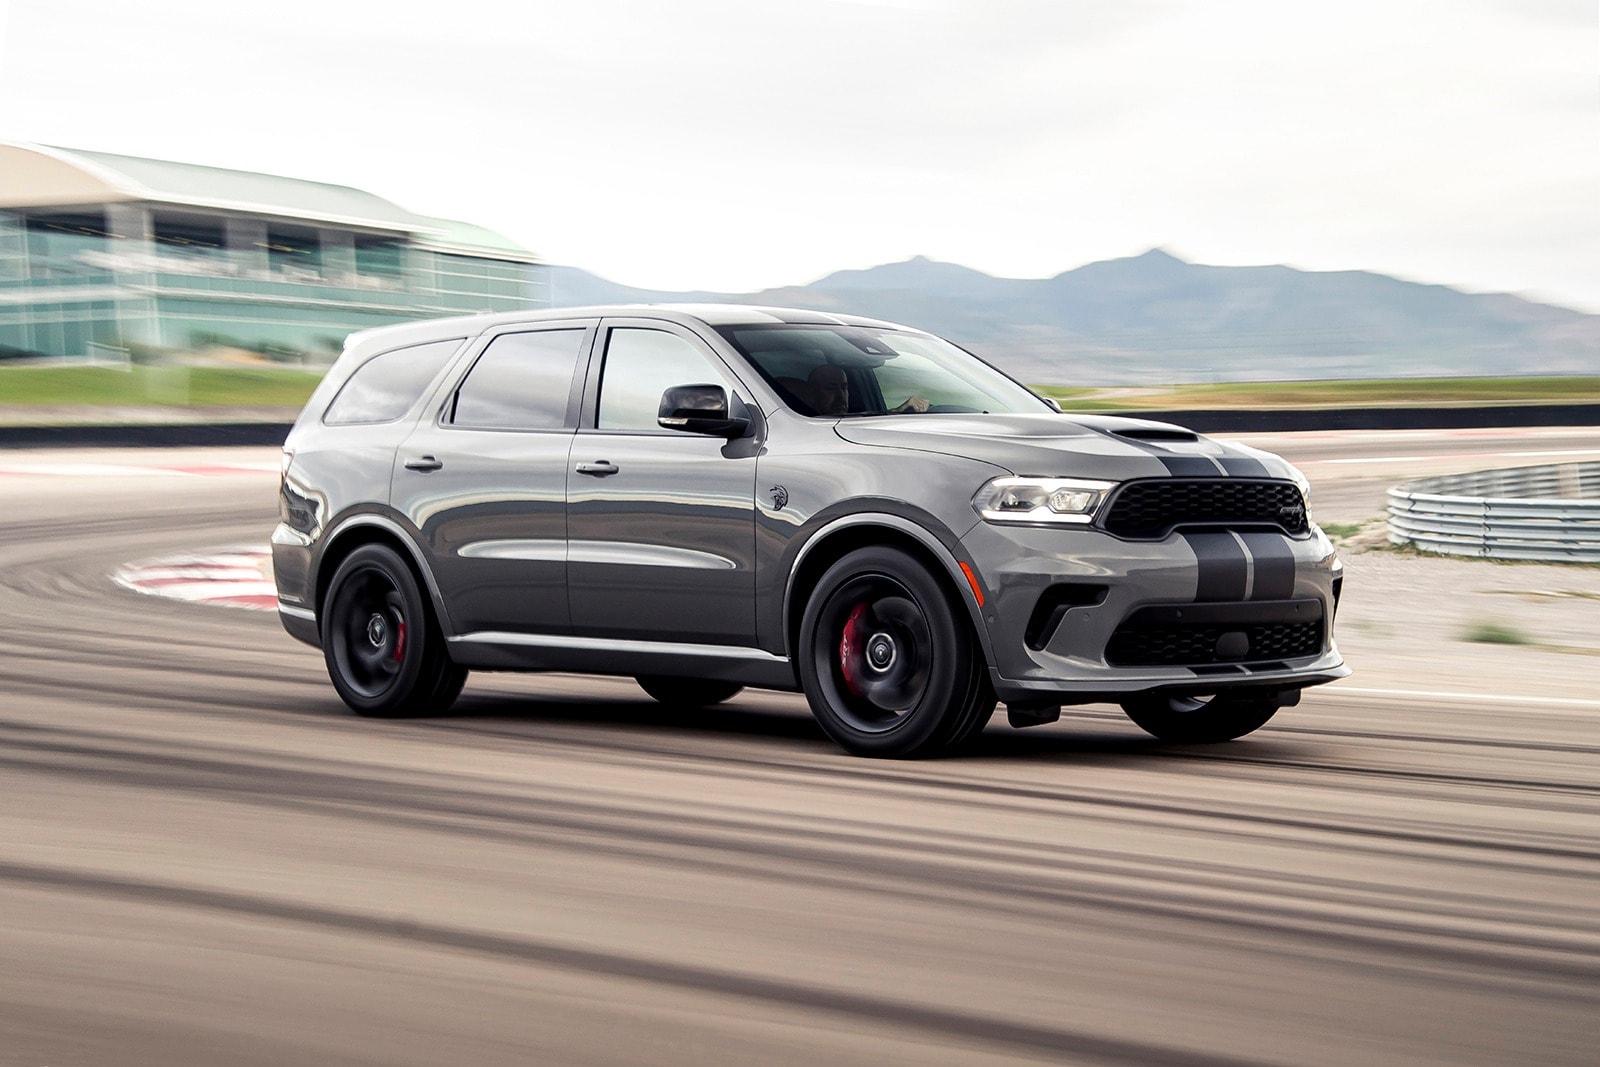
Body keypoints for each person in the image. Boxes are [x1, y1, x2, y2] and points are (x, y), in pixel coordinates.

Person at [806, 364, 929, 416]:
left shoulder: (855, 418)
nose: (840, 395)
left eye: (844, 388)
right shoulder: (803, 424)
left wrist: (899, 410)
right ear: (812, 395)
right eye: (831, 388)